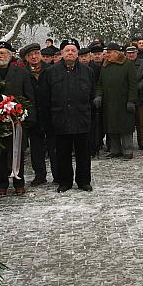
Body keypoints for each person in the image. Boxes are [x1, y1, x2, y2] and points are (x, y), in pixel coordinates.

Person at [0, 41, 37, 196]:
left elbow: (29, 96)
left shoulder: (22, 73)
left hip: (17, 121)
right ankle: (1, 184)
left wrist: (28, 118)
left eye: (3, 53)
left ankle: (19, 182)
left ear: (10, 55)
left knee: (18, 152)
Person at [38, 39, 95, 192]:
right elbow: (44, 98)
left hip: (81, 118)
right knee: (62, 153)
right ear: (62, 53)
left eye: (73, 50)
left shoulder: (87, 71)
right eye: (67, 50)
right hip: (60, 119)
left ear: (77, 53)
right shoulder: (51, 72)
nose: (70, 53)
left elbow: (91, 95)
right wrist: (48, 122)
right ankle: (65, 181)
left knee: (83, 153)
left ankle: (83, 181)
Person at [20, 43, 57, 186]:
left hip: (50, 114)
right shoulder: (23, 72)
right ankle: (40, 175)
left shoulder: (51, 70)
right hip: (33, 115)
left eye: (36, 53)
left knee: (54, 147)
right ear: (26, 58)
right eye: (30, 55)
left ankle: (58, 174)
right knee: (36, 148)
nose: (34, 57)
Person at [96, 43, 138, 160]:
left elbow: (133, 85)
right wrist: (98, 96)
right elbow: (100, 84)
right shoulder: (105, 66)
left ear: (117, 53)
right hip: (108, 102)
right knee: (111, 127)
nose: (107, 55)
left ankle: (127, 150)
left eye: (109, 53)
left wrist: (131, 100)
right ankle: (115, 150)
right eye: (106, 53)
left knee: (125, 128)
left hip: (123, 102)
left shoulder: (127, 65)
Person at [126, 46, 143, 150]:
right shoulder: (124, 63)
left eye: (133, 53)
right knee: (128, 122)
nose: (131, 55)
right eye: (129, 53)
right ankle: (128, 144)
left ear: (137, 53)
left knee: (141, 122)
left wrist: (137, 87)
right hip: (127, 96)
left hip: (141, 96)